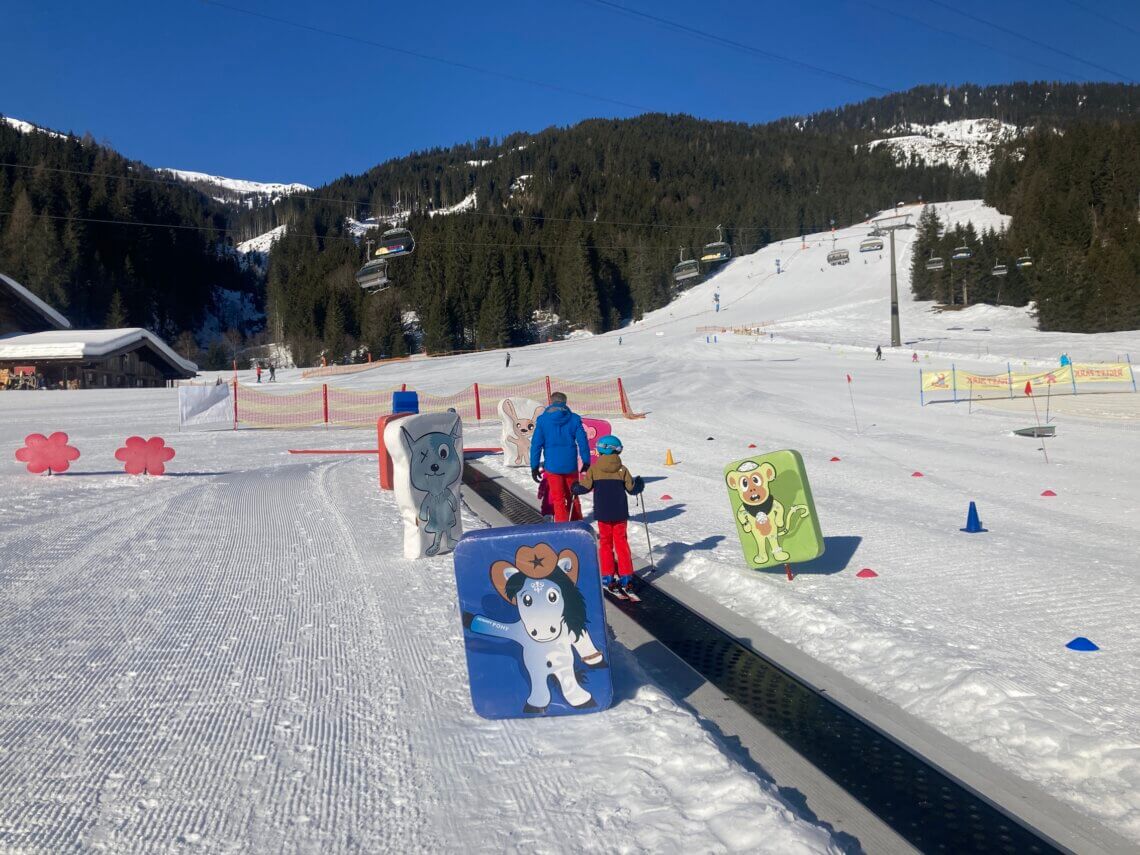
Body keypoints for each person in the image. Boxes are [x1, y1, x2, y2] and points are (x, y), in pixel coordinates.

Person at [572, 435, 644, 595]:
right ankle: (626, 577)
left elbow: (585, 487)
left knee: (605, 543)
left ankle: (608, 577)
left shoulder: (595, 469)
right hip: (620, 513)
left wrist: (575, 487)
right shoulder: (622, 469)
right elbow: (632, 489)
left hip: (603, 513)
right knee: (621, 543)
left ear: (601, 450)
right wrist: (639, 485)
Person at [530, 391, 590, 523]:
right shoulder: (574, 419)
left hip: (552, 465)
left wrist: (534, 466)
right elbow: (583, 441)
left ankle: (562, 525)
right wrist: (586, 460)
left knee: (558, 499)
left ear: (551, 402)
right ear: (565, 402)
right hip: (570, 464)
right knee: (573, 494)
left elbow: (536, 445)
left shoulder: (542, 420)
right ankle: (577, 521)